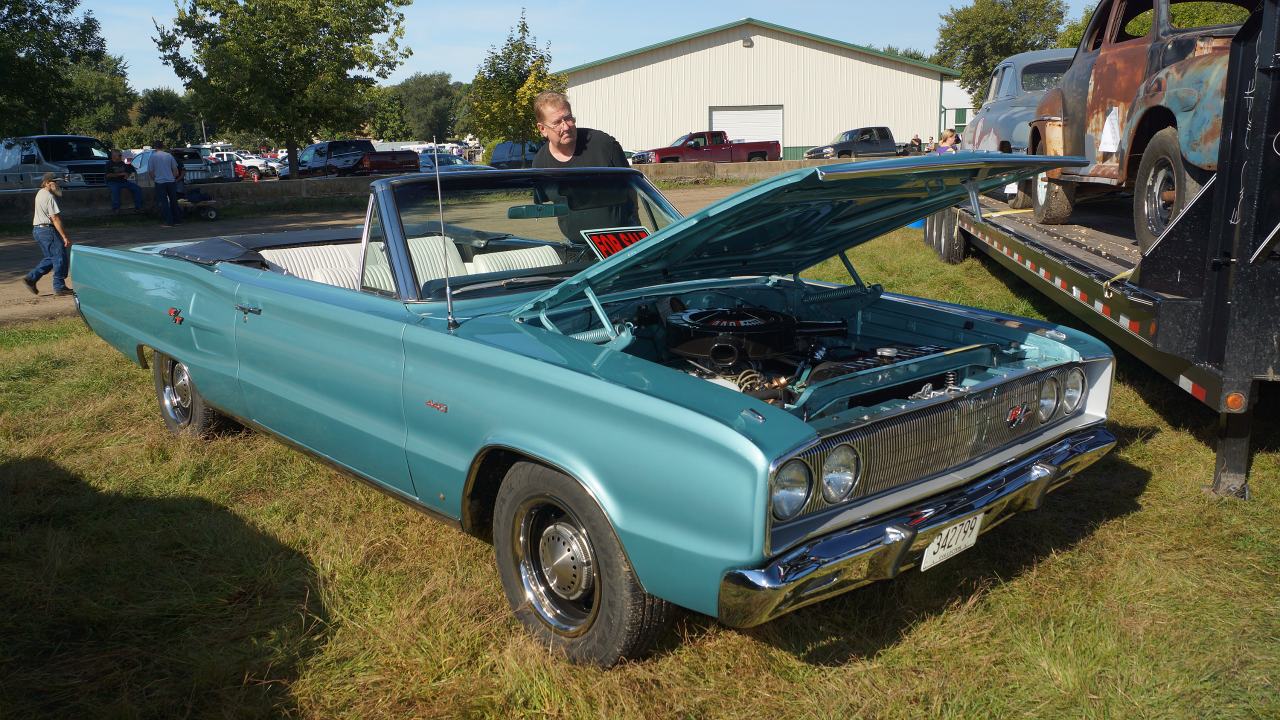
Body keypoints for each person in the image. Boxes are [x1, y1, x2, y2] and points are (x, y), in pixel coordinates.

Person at [532, 91, 629, 169]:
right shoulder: (540, 164)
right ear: (543, 129)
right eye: (557, 123)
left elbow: (629, 189)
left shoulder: (604, 145)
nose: (566, 127)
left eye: (568, 118)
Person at [23, 173, 74, 297]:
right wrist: (64, 236)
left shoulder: (40, 193)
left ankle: (31, 278)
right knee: (59, 257)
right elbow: (55, 218)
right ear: (47, 183)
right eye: (55, 182)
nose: (57, 184)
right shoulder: (48, 196)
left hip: (38, 230)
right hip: (47, 230)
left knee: (51, 258)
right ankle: (59, 286)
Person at [150, 142, 183, 226]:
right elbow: (176, 171)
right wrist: (172, 178)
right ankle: (177, 220)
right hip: (171, 181)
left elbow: (151, 172)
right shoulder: (169, 156)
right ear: (163, 147)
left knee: (164, 202)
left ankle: (169, 221)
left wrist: (156, 179)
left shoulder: (153, 157)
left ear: (155, 147)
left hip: (160, 182)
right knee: (173, 201)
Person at [104, 149, 143, 214]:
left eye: (120, 155)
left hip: (123, 181)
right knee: (115, 190)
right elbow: (108, 175)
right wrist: (120, 174)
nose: (121, 156)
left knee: (137, 188)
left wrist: (127, 174)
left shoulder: (122, 163)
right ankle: (116, 209)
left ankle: (138, 207)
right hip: (112, 182)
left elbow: (130, 169)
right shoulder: (109, 164)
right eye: (119, 155)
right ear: (114, 156)